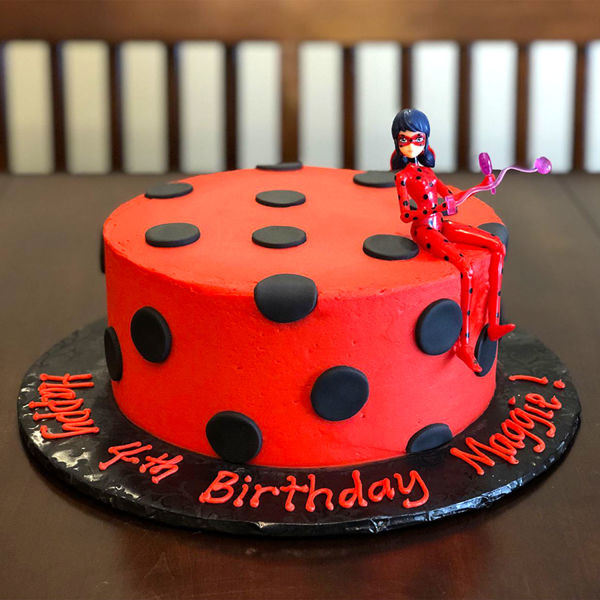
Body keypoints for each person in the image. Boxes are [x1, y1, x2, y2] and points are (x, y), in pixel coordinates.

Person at [392, 108, 514, 373]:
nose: (411, 145)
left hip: (441, 224)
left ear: (426, 140)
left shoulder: (428, 174)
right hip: (424, 230)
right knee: (466, 269)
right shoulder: (402, 177)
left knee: (496, 246)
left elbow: (449, 196)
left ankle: (494, 323)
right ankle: (463, 344)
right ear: (397, 142)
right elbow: (405, 214)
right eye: (404, 139)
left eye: (417, 139)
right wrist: (433, 208)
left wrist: (478, 187)